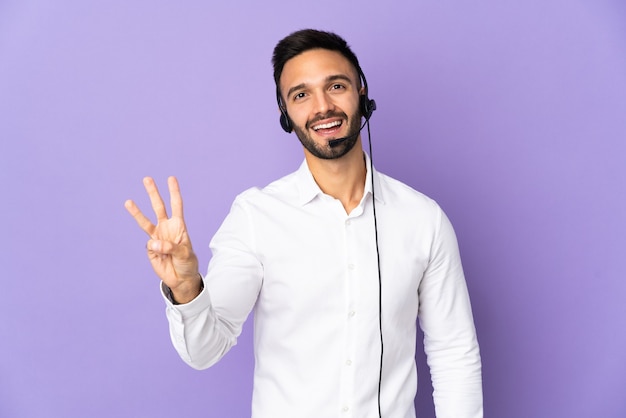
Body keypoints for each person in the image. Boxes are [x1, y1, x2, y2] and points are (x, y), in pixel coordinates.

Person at [125, 29, 483, 418]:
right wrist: (187, 289)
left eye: (336, 85)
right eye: (301, 94)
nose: (323, 106)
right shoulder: (255, 216)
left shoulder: (423, 219)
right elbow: (205, 350)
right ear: (285, 114)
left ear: (362, 93)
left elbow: (454, 353)